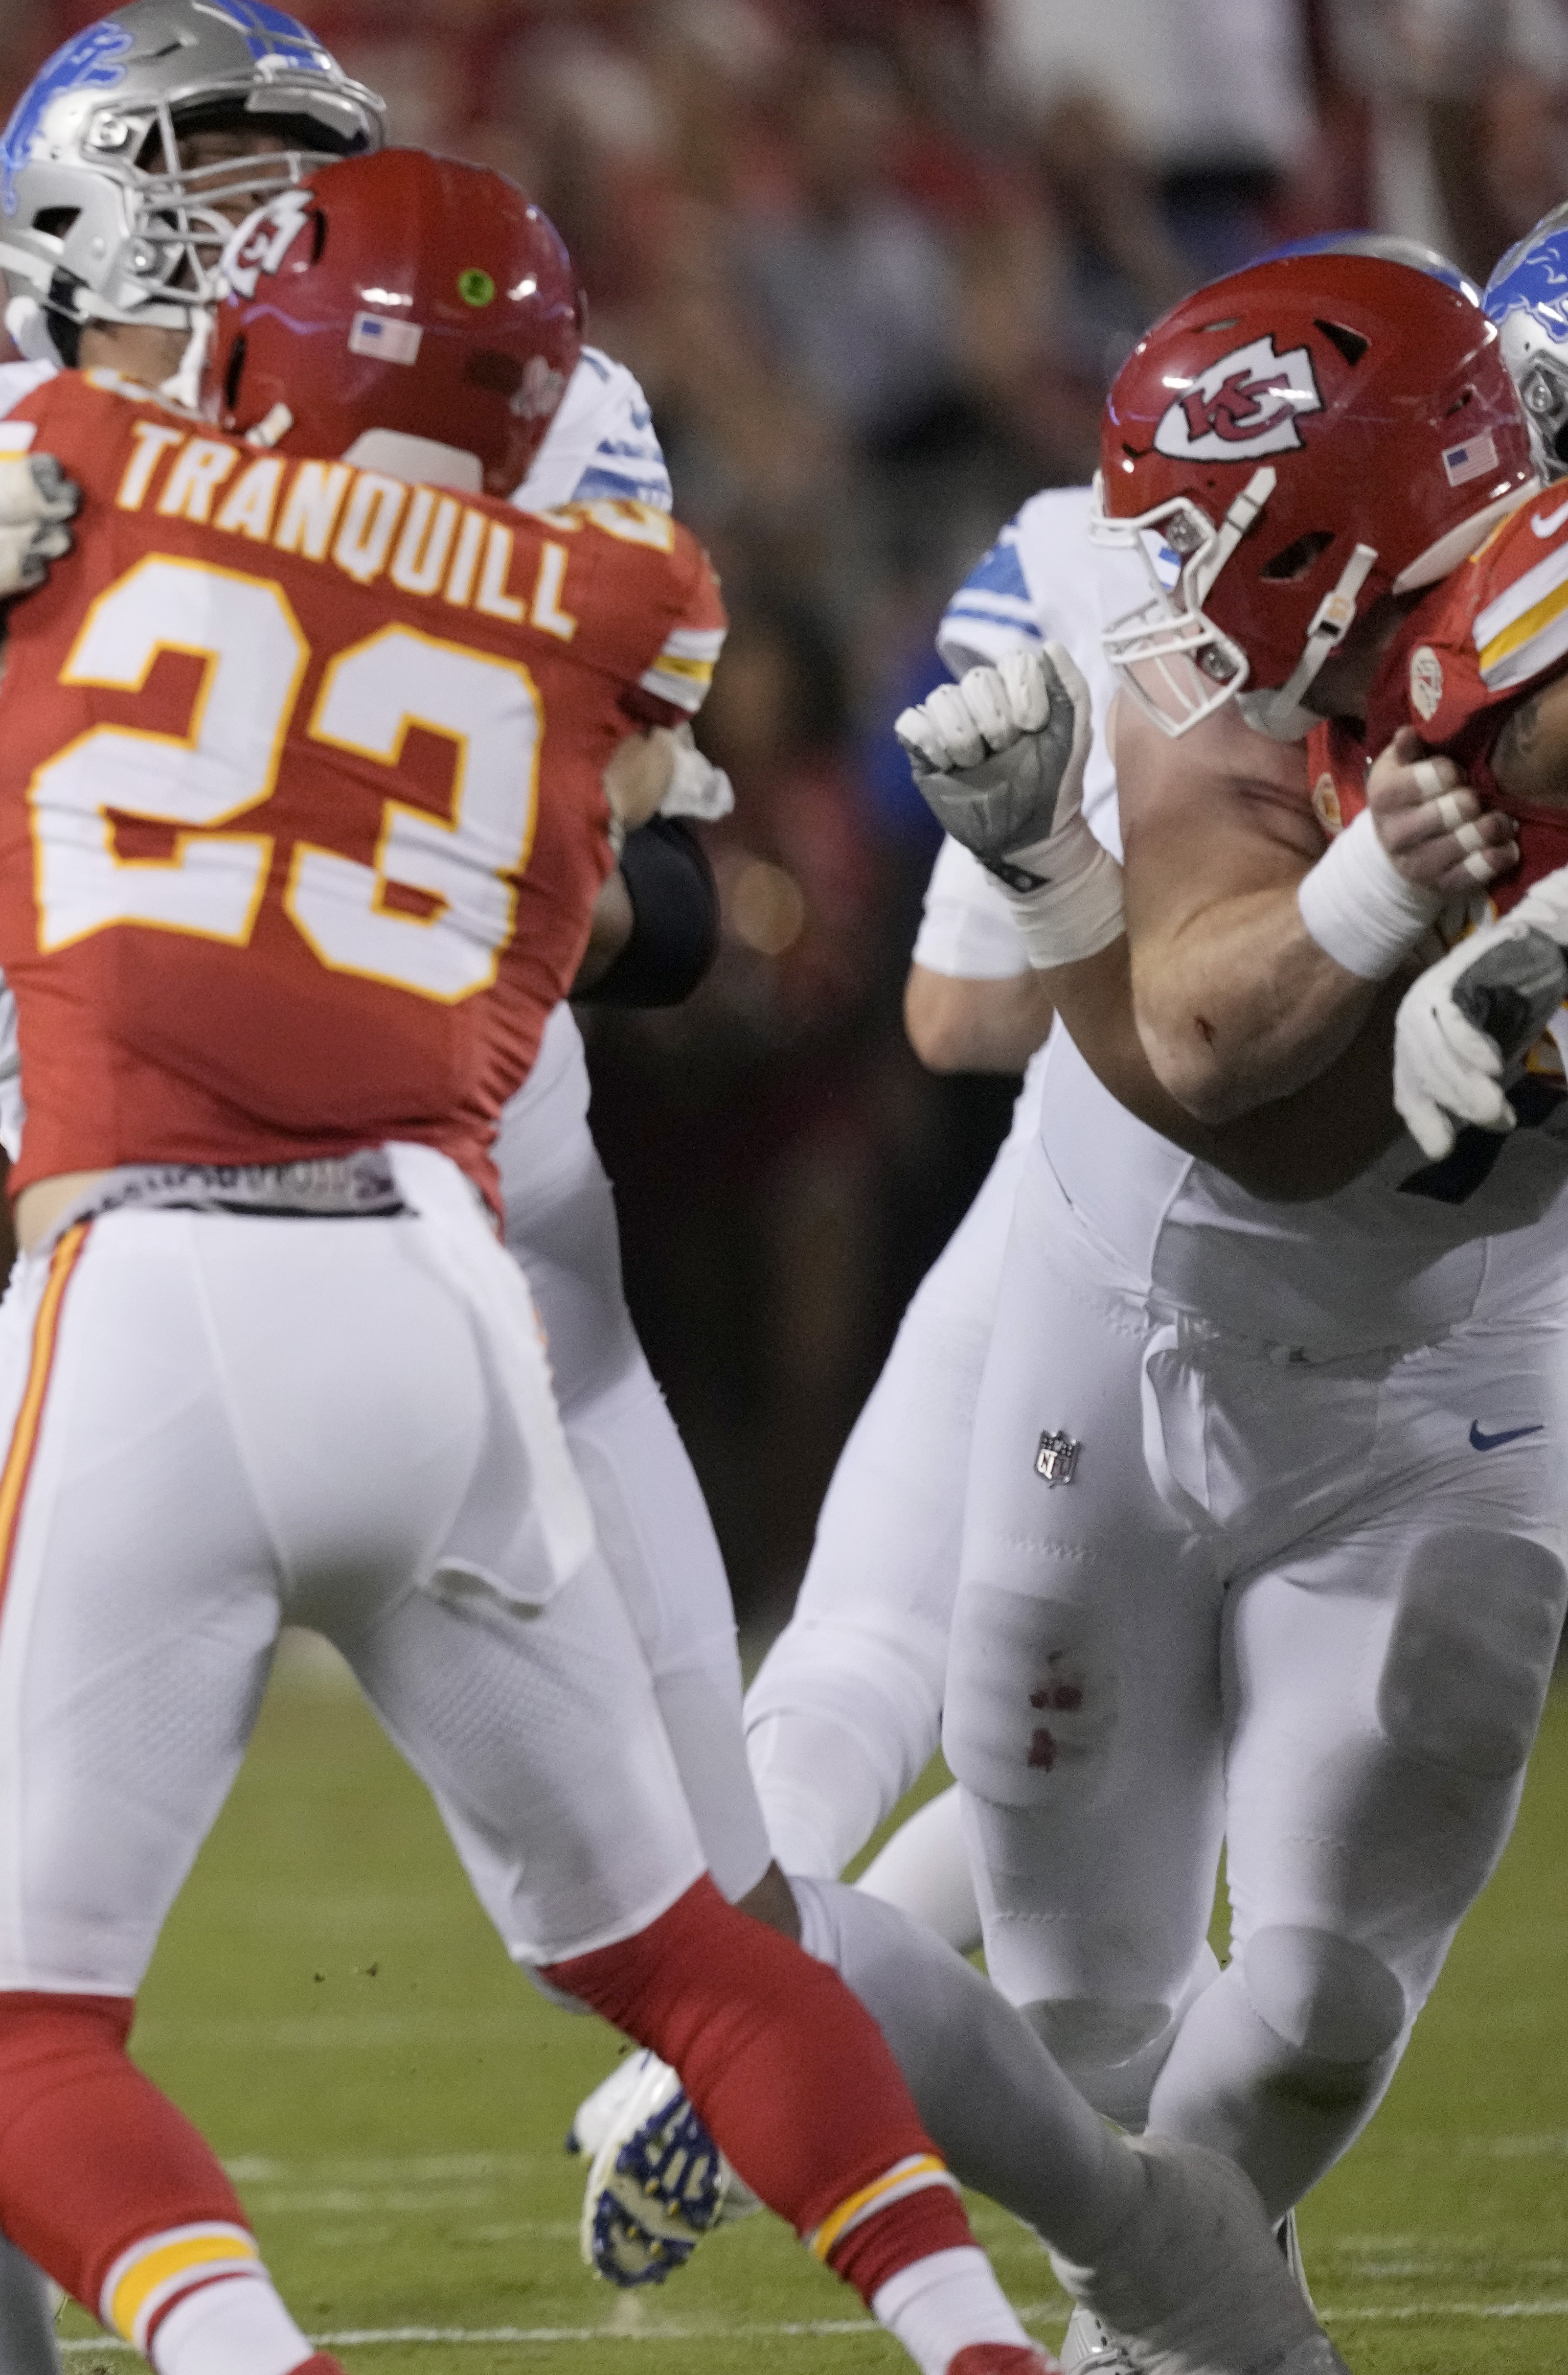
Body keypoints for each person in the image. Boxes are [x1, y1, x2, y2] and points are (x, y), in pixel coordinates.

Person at [0, 146, 1052, 2375]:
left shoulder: (70, 450)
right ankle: (978, 2346)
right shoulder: (620, 595)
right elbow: (632, 834)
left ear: (252, 339)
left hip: (159, 1278)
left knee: (12, 2023)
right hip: (449, 1297)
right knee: (695, 1957)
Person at [0, 14, 732, 2361]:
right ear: (67, 203)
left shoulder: (526, 413)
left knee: (739, 1930)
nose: (246, 225)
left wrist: (253, 909)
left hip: (488, 1243)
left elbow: (681, 902)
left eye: (282, 177)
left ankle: (1117, 2280)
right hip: (136, 1247)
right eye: (191, 172)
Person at [909, 244, 1567, 2365]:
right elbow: (1217, 1078)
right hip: (1121, 1310)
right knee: (1084, 2006)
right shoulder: (1236, 630)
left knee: (1304, 2008)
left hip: (1443, 1372)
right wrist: (1363, 913)